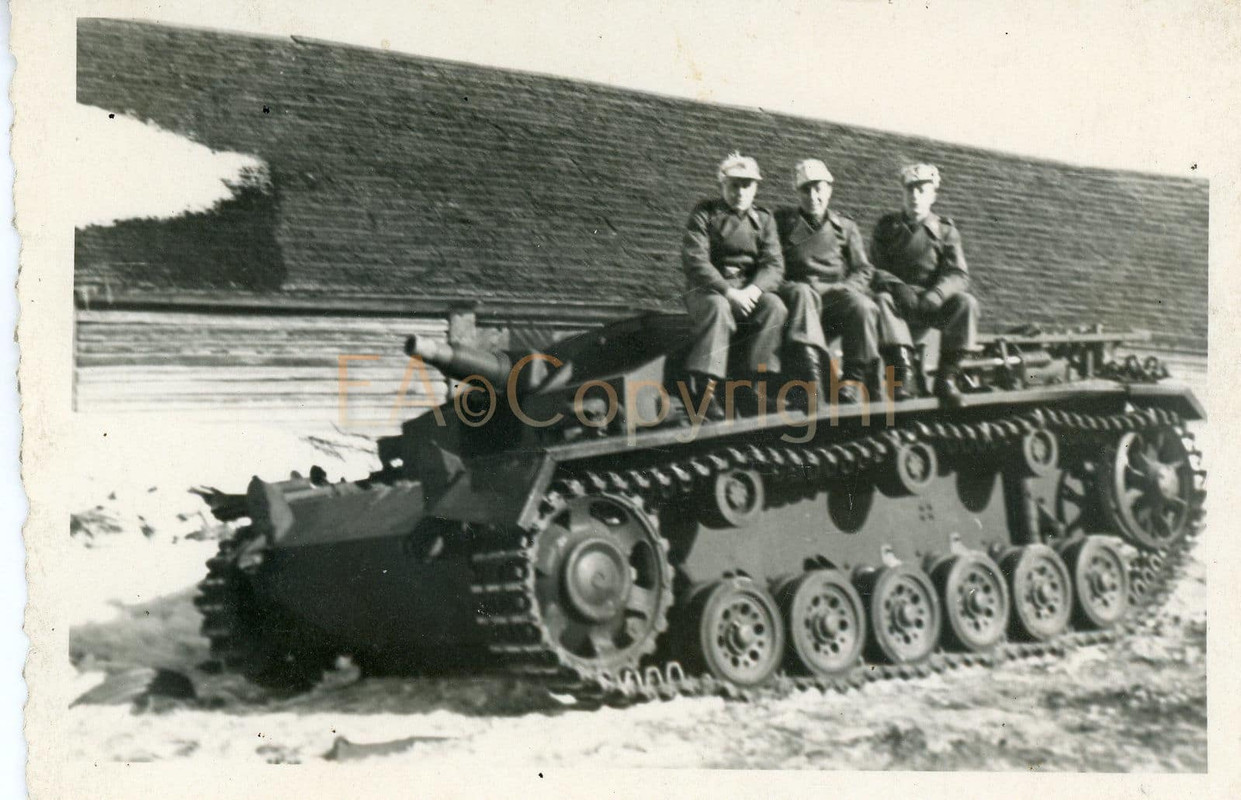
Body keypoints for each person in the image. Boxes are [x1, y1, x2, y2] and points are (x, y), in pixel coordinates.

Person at [681, 151, 788, 418]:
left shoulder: (763, 220)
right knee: (718, 308)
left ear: (755, 188)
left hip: (747, 291)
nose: (740, 191)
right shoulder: (705, 214)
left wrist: (753, 290)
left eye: (747, 185)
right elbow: (695, 259)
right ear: (722, 185)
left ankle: (751, 388)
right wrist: (729, 292)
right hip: (710, 290)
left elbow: (774, 264)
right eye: (734, 184)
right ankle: (705, 393)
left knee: (774, 306)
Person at [870, 163, 980, 405]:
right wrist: (898, 287)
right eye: (910, 190)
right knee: (880, 300)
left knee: (966, 303)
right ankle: (903, 373)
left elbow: (958, 274)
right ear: (903, 193)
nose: (915, 197)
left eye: (922, 191)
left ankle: (947, 376)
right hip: (898, 305)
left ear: (933, 195)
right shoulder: (887, 228)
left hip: (932, 305)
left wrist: (937, 295)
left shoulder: (945, 231)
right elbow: (875, 270)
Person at [776, 159, 879, 406]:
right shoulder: (782, 223)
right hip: (798, 298)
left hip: (833, 297)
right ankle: (811, 377)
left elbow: (863, 269)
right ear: (797, 192)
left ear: (829, 190)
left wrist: (848, 288)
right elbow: (773, 264)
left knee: (863, 306)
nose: (813, 196)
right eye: (806, 189)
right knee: (802, 293)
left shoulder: (845, 226)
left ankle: (853, 381)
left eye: (818, 188)